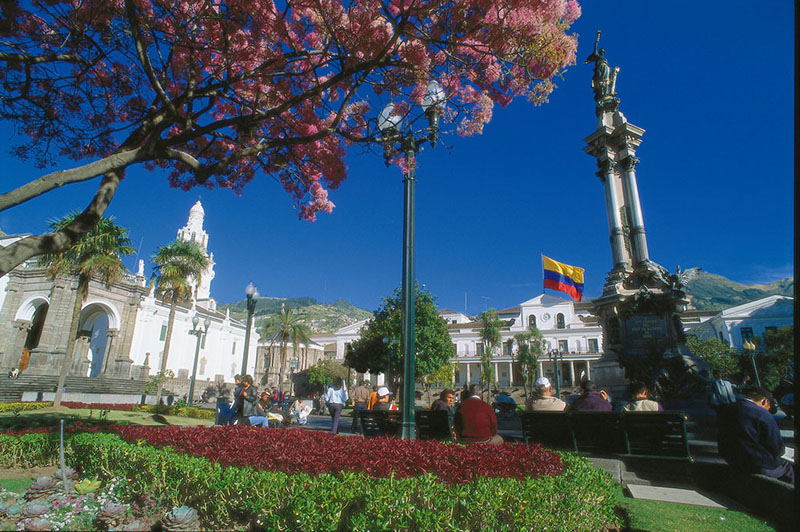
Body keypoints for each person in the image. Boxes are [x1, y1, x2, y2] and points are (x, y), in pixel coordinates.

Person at [718, 387, 794, 484]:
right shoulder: (763, 414)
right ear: (764, 401)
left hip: (732, 459)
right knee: (788, 469)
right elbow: (777, 448)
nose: (768, 410)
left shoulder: (726, 409)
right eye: (769, 407)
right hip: (758, 463)